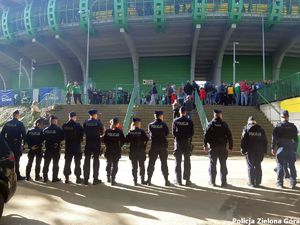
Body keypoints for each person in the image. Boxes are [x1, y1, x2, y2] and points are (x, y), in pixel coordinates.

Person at [204, 109, 233, 187]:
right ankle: (223, 182)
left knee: (213, 164)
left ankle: (212, 182)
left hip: (213, 148)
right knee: (223, 164)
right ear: (220, 115)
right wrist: (230, 146)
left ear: (214, 115)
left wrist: (205, 145)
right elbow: (229, 136)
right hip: (222, 148)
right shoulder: (224, 124)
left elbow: (206, 135)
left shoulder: (210, 124)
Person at [272, 110, 298, 189]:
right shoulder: (293, 126)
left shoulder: (278, 126)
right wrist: (295, 150)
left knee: (280, 165)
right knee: (292, 165)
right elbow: (296, 140)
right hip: (290, 147)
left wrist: (273, 148)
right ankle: (293, 182)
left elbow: (274, 138)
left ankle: (280, 183)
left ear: (281, 117)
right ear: (288, 117)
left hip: (281, 148)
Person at [241, 116, 268, 188]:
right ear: (255, 122)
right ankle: (258, 182)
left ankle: (252, 183)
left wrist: (243, 150)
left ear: (248, 122)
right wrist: (264, 151)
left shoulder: (246, 128)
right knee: (258, 165)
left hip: (250, 151)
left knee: (250, 167)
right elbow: (265, 141)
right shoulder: (261, 129)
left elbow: (243, 140)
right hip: (259, 151)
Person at [146, 111, 171, 186]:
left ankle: (149, 180)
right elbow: (167, 133)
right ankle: (166, 181)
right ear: (160, 116)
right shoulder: (164, 124)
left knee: (151, 163)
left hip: (154, 146)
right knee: (164, 164)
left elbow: (149, 134)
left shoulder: (150, 125)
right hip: (162, 146)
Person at [1, 110, 27, 180]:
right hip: (16, 145)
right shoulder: (20, 123)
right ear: (18, 115)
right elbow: (24, 135)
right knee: (17, 160)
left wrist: (6, 143)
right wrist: (24, 144)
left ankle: (8, 175)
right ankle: (17, 175)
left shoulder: (7, 123)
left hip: (8, 145)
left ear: (13, 115)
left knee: (9, 160)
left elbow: (2, 134)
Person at [172, 107, 194, 186]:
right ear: (186, 112)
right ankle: (187, 180)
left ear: (180, 112)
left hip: (178, 143)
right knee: (187, 162)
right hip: (187, 143)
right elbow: (192, 133)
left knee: (178, 162)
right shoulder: (189, 121)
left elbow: (173, 133)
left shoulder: (176, 121)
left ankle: (179, 180)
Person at [83, 109, 104, 185]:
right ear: (95, 115)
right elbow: (102, 132)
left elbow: (84, 132)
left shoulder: (85, 122)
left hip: (88, 143)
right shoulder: (98, 122)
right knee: (96, 161)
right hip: (96, 144)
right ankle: (95, 179)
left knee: (87, 161)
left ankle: (85, 179)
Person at [125, 118, 149, 185]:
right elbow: (147, 139)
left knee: (134, 167)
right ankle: (142, 180)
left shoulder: (131, 132)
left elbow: (126, 141)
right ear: (138, 123)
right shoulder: (141, 131)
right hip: (141, 151)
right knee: (142, 166)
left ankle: (135, 181)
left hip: (133, 152)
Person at [62, 112, 84, 184]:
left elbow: (63, 136)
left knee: (67, 162)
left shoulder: (65, 126)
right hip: (77, 146)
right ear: (74, 117)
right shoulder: (78, 125)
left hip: (68, 147)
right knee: (77, 163)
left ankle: (66, 178)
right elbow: (82, 135)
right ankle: (78, 178)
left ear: (69, 117)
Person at [103, 117, 125, 185]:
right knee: (115, 165)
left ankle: (108, 177)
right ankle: (113, 179)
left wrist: (107, 145)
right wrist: (119, 146)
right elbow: (123, 141)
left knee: (108, 163)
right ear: (117, 124)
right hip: (116, 150)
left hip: (109, 149)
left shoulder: (107, 131)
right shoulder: (119, 131)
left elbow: (104, 140)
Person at [42, 115, 64, 183]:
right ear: (55, 121)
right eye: (56, 121)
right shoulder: (59, 129)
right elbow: (62, 137)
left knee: (46, 164)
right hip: (56, 149)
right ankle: (54, 178)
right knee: (55, 164)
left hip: (48, 149)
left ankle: (45, 178)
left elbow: (43, 138)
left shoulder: (45, 129)